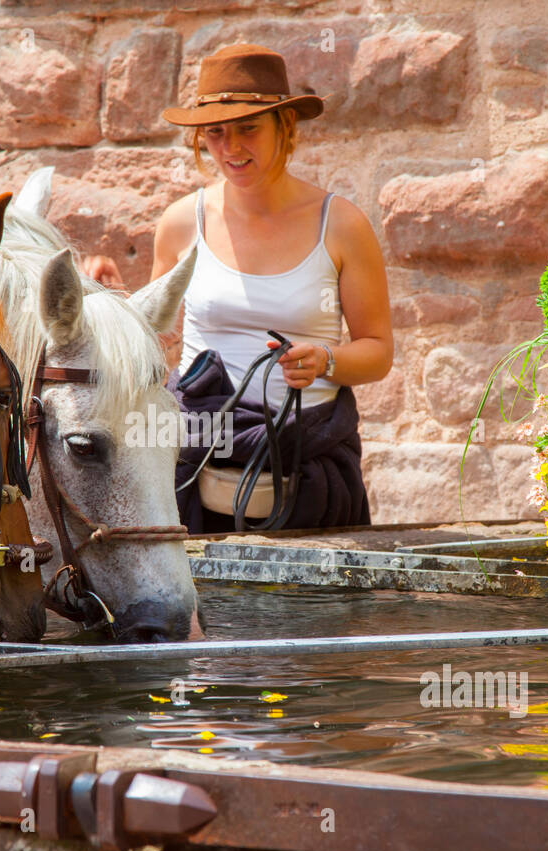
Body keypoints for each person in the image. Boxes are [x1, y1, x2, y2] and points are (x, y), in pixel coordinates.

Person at [150, 44, 393, 531]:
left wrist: (327, 360)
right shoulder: (181, 224)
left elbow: (379, 351)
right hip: (196, 461)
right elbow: (148, 343)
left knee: (309, 610)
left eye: (248, 128)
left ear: (285, 127)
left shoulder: (341, 224)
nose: (231, 148)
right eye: (215, 133)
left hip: (310, 468)